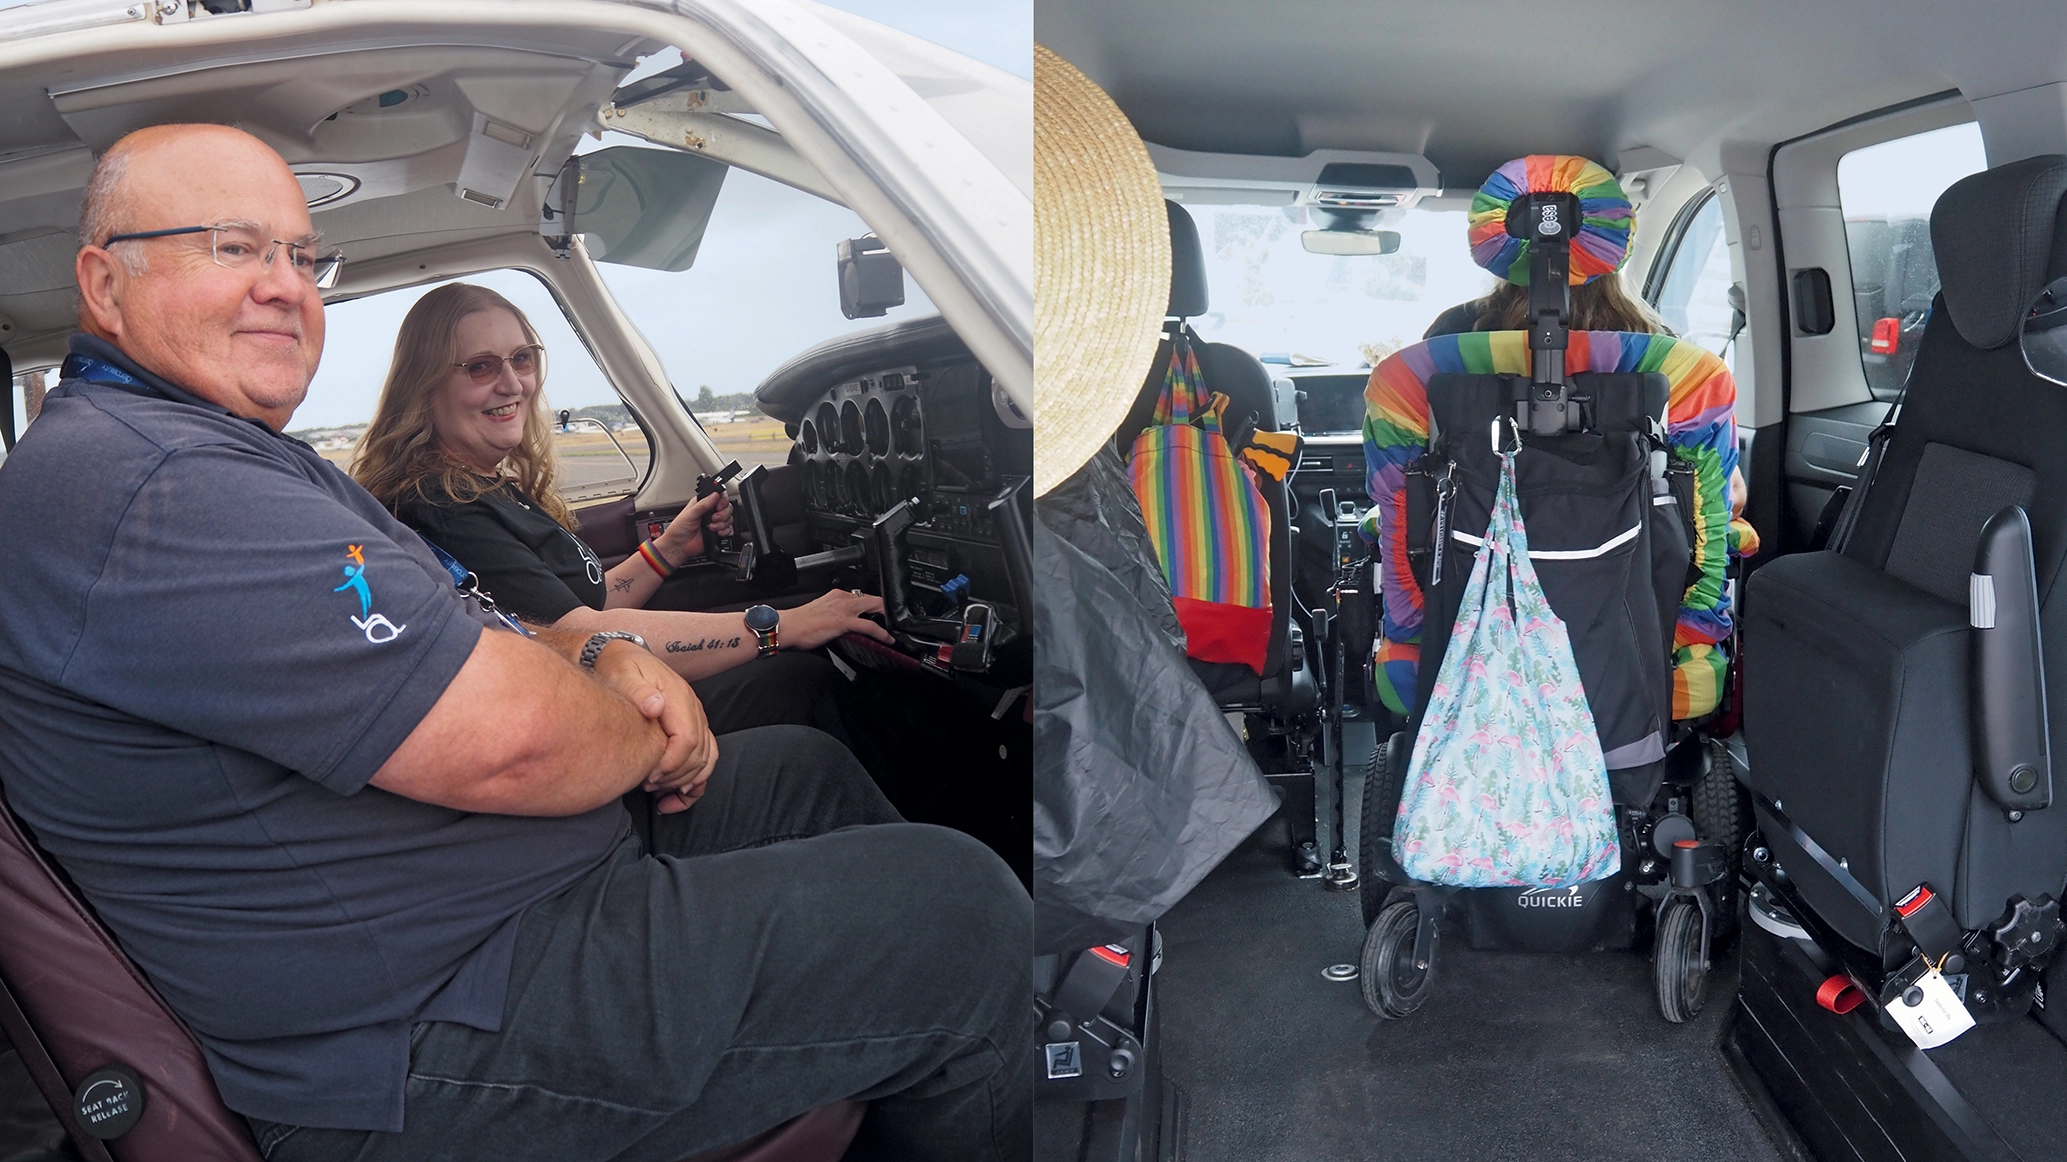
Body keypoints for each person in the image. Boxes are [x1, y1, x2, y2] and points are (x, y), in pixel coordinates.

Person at [0, 122, 1029, 1162]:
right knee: (965, 913)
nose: (284, 286)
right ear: (105, 283)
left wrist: (598, 656)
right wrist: (639, 708)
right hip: (419, 1036)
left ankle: (891, 1062)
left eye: (301, 257)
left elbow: (508, 640)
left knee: (804, 771)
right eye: (232, 247)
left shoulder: (207, 453)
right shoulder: (151, 486)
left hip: (485, 914)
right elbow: (517, 740)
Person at [350, 281, 892, 740]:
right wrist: (781, 625)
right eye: (480, 366)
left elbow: (587, 600)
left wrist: (671, 549)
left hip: (602, 686)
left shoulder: (484, 486)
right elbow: (587, 634)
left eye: (522, 358)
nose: (512, 383)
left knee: (807, 669)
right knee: (804, 680)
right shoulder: (441, 505)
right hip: (591, 717)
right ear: (425, 387)